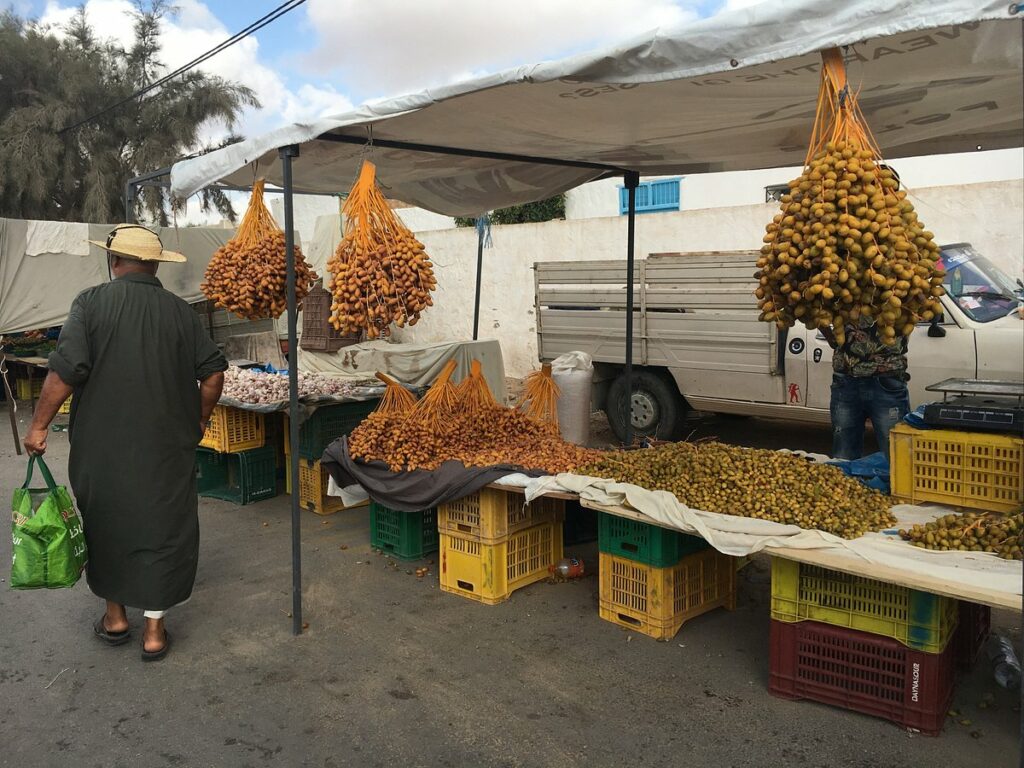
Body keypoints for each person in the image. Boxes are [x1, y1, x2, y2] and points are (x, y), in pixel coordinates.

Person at [23, 224, 227, 662]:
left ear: (114, 262)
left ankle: (115, 617)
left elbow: (65, 371)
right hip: (167, 446)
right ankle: (154, 630)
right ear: (154, 265)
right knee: (164, 526)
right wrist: (198, 418)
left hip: (102, 446)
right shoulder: (181, 311)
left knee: (106, 520)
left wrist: (38, 426)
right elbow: (212, 372)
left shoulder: (91, 303)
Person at [825, 315, 911, 460]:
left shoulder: (896, 295)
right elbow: (816, 313)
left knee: (896, 456)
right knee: (843, 456)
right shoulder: (839, 296)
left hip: (886, 378)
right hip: (847, 377)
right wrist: (828, 333)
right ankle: (845, 482)